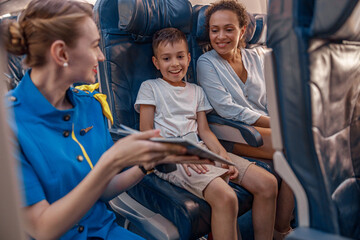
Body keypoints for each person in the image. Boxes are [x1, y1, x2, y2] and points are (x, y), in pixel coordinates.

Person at [2, 1, 209, 239]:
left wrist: (148, 163)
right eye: (94, 46)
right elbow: (42, 229)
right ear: (61, 53)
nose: (101, 57)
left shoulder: (91, 105)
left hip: (105, 231)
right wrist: (110, 162)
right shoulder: (8, 124)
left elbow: (103, 191)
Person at [135, 27, 281, 240]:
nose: (175, 64)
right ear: (156, 63)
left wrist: (222, 156)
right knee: (226, 197)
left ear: (189, 57)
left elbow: (205, 131)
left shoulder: (197, 91)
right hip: (169, 156)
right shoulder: (150, 88)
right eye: (166, 58)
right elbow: (146, 133)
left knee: (268, 184)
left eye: (180, 56)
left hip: (201, 149)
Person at [196, 0, 294, 239]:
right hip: (233, 133)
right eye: (214, 29)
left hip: (263, 129)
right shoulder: (206, 62)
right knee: (297, 153)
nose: (220, 36)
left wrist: (283, 120)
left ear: (242, 31)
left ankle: (282, 227)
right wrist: (278, 125)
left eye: (229, 29)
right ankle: (281, 229)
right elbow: (228, 110)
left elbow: (271, 97)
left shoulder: (255, 57)